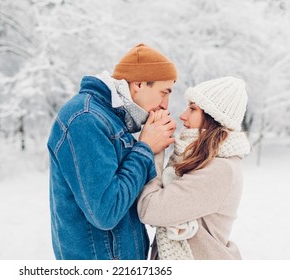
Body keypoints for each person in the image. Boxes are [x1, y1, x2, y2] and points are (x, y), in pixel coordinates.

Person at [47, 43, 177, 259]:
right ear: (139, 84)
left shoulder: (112, 119)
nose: (165, 104)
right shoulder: (86, 119)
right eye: (164, 93)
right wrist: (145, 148)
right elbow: (106, 212)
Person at [138, 76, 251, 260]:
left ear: (212, 118)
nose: (183, 115)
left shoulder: (220, 169)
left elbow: (150, 209)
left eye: (192, 109)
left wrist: (152, 150)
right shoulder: (198, 158)